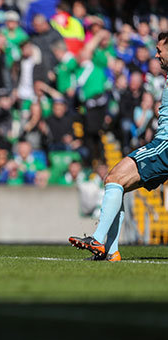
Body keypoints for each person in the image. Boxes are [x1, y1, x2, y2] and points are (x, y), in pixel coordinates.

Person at [69, 33, 168, 263]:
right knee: (116, 182)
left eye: (159, 50)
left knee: (114, 179)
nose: (156, 55)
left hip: (164, 146)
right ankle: (111, 252)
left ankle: (98, 240)